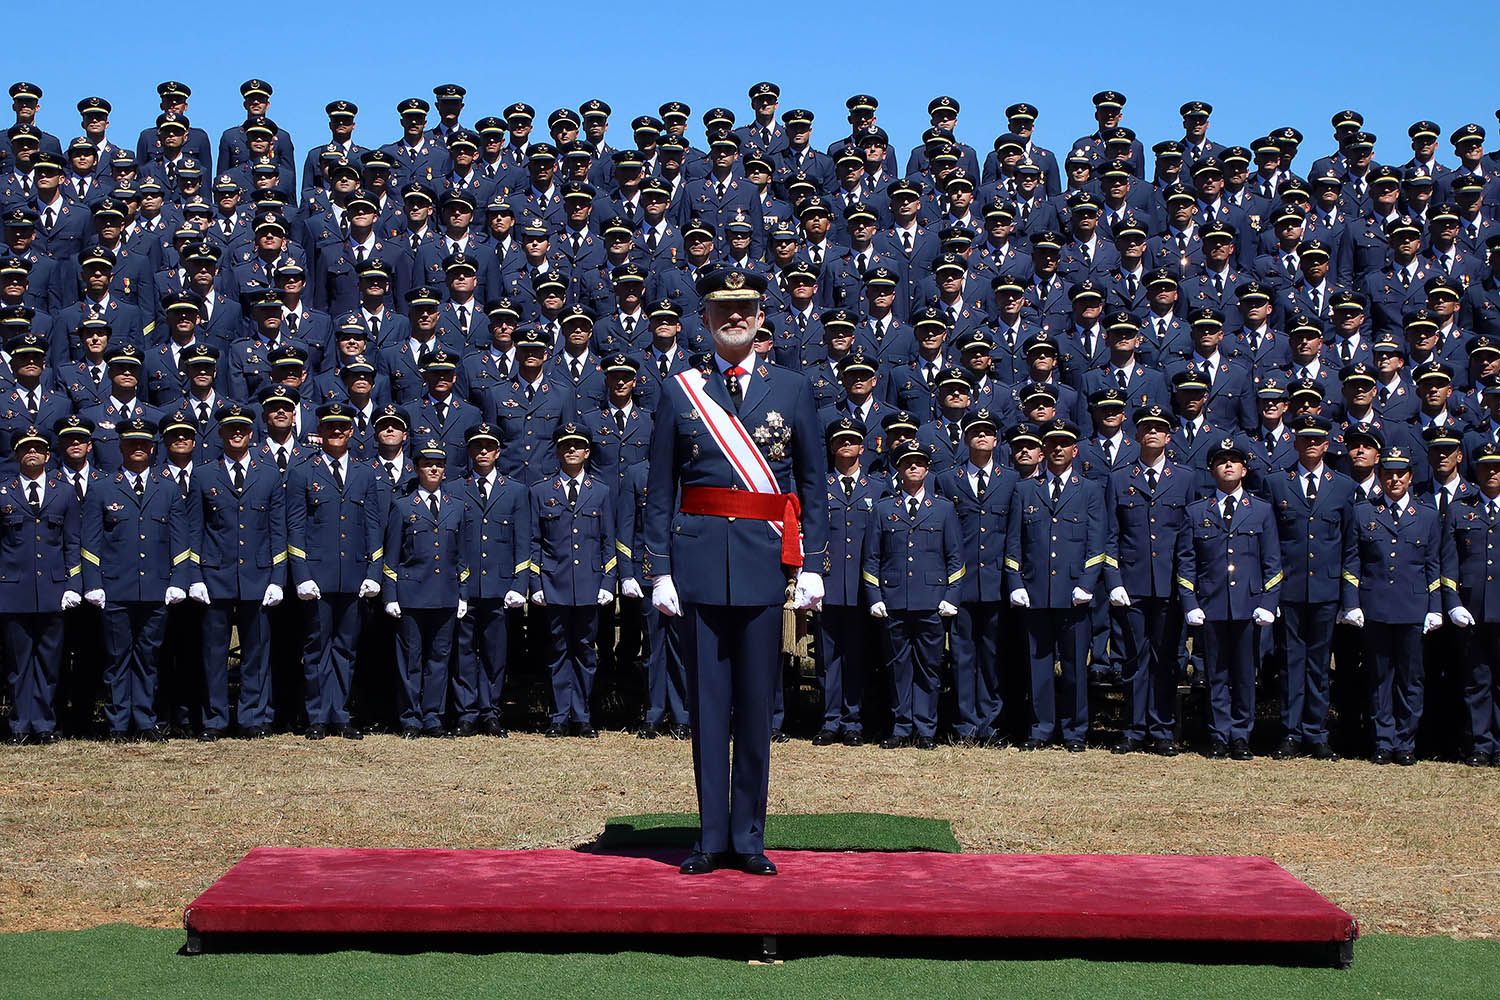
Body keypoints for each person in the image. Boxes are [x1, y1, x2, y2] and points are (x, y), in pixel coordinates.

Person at [643, 264, 827, 877]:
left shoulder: (794, 389)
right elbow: (660, 489)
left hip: (763, 565)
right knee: (707, 710)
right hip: (697, 566)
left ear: (760, 317)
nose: (734, 318)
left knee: (755, 710)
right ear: (705, 320)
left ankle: (749, 837)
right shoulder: (680, 389)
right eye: (722, 310)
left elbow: (814, 486)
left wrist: (814, 566)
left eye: (745, 307)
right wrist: (662, 570)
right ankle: (711, 837)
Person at [79, 417, 189, 741]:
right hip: (115, 587)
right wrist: (93, 583)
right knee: (116, 658)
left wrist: (178, 580)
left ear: (153, 448)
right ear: (121, 447)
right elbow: (90, 542)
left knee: (148, 658)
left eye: (143, 443)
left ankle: (144, 719)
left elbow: (180, 541)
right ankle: (117, 722)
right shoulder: (101, 488)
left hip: (156, 588)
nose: (138, 448)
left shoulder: (167, 489)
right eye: (131, 443)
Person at [183, 402, 287, 739]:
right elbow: (194, 530)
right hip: (215, 577)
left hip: (257, 577)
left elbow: (278, 531)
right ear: (221, 433)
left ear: (252, 432)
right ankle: (214, 719)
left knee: (257, 653)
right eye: (230, 428)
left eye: (242, 428)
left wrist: (277, 578)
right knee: (213, 653)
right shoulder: (203, 474)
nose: (237, 433)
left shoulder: (269, 474)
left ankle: (252, 717)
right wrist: (194, 577)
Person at [1005, 417, 1108, 751]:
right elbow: (1014, 543)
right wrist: (1015, 581)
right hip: (1035, 592)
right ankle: (1041, 728)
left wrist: (1088, 583)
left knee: (1076, 665)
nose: (1058, 448)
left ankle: (1075, 731)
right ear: (1042, 450)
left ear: (1075, 450)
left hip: (1075, 593)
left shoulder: (1090, 490)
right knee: (1039, 667)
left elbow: (1097, 543)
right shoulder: (1024, 490)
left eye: (1064, 443)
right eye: (1051, 443)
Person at [1345, 446, 1453, 764]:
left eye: (1400, 474)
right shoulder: (1364, 512)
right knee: (1380, 677)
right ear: (1380, 476)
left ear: (1410, 478)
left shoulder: (1428, 516)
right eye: (1388, 474)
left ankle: (1405, 741)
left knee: (1411, 678)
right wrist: (1352, 602)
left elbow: (1433, 566)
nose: (1394, 479)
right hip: (1375, 607)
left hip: (1413, 608)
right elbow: (1353, 561)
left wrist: (1435, 607)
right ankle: (1383, 740)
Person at [1176, 437, 1282, 759]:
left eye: (1234, 460)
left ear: (1245, 469)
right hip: (1212, 605)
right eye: (1221, 461)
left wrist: (1268, 603)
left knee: (1245, 675)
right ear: (1211, 470)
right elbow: (1186, 562)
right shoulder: (1196, 513)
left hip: (1249, 608)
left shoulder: (1261, 510)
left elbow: (1273, 563)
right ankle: (1219, 735)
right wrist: (1190, 603)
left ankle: (1241, 735)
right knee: (1216, 674)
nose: (1228, 465)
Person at [285, 402, 384, 740]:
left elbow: (373, 525)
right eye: (330, 427)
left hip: (354, 577)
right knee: (316, 648)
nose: (337, 432)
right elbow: (295, 527)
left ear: (352, 431)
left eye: (343, 427)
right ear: (320, 432)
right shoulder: (302, 472)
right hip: (317, 577)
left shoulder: (365, 473)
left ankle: (340, 714)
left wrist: (374, 570)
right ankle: (316, 716)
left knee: (345, 648)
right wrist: (302, 573)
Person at [863, 442, 963, 748]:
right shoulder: (883, 509)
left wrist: (951, 596)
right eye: (908, 463)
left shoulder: (944, 509)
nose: (914, 467)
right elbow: (872, 559)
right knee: (898, 667)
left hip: (932, 602)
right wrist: (875, 596)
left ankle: (926, 728)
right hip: (894, 602)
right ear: (898, 469)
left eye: (919, 462)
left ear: (927, 468)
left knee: (929, 667)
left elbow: (956, 558)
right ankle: (901, 727)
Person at [380, 437, 472, 738]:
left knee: (439, 659)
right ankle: (410, 718)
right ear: (416, 468)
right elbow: (392, 556)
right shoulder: (403, 506)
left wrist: (463, 594)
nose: (433, 469)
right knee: (410, 660)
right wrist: (390, 596)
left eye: (439, 465)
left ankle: (433, 716)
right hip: (411, 595)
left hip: (445, 595)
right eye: (427, 464)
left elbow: (462, 556)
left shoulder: (456, 506)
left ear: (445, 471)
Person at [529, 422, 616, 737]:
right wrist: (536, 585)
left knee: (585, 649)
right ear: (558, 451)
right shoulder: (541, 491)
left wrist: (608, 584)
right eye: (566, 446)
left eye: (577, 445)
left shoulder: (601, 491)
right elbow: (534, 542)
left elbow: (609, 541)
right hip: (554, 584)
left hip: (590, 585)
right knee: (557, 650)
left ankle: (582, 715)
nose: (571, 450)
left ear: (587, 452)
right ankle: (558, 716)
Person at [0, 426, 81, 743]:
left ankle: (45, 724)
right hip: (13, 590)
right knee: (18, 664)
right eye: (25, 448)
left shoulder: (64, 492)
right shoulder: (4, 492)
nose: (31, 452)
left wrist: (74, 583)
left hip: (53, 589)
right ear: (17, 454)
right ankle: (20, 725)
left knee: (49, 661)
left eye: (38, 448)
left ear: (49, 455)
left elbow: (72, 542)